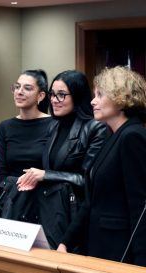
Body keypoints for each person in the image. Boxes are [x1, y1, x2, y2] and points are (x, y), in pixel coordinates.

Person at [58, 66, 146, 266]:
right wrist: (66, 241)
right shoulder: (112, 135)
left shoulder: (133, 136)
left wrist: (142, 264)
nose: (92, 101)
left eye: (100, 95)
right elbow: (92, 199)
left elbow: (140, 206)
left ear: (120, 98)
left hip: (122, 250)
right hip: (99, 244)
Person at [17, 70, 107, 250]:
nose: (54, 100)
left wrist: (46, 175)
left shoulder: (96, 128)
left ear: (78, 96)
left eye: (62, 95)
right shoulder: (55, 125)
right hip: (50, 209)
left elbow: (88, 181)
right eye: (52, 94)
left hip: (76, 215)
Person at [0, 70, 52, 230]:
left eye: (27, 88)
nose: (19, 92)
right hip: (12, 202)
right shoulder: (5, 127)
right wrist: (19, 190)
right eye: (17, 87)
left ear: (41, 96)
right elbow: (0, 175)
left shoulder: (54, 125)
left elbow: (54, 169)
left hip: (44, 203)